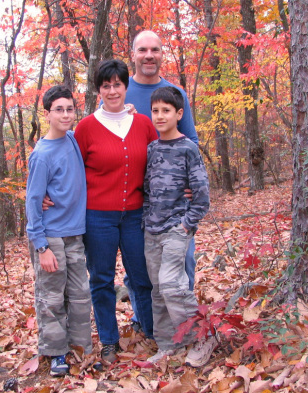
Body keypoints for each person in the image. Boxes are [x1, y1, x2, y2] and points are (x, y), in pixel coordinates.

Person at [74, 59, 158, 363]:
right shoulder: (85, 128)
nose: (112, 90)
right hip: (97, 217)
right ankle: (109, 340)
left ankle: (150, 332)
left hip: (136, 214)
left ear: (126, 86)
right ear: (99, 90)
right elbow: (70, 171)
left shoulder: (143, 123)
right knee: (101, 280)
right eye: (106, 85)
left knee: (142, 277)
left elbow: (161, 163)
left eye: (117, 85)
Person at [123, 30, 198, 333]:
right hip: (135, 198)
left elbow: (191, 138)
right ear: (133, 54)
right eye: (143, 50)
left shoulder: (174, 93)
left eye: (155, 49)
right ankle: (151, 327)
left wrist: (192, 182)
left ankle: (189, 330)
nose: (149, 55)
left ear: (162, 53)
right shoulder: (120, 92)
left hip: (175, 201)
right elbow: (95, 140)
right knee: (142, 268)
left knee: (182, 262)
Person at [143, 86, 217, 367]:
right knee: (158, 289)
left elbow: (202, 196)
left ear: (179, 114)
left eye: (166, 111)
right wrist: (146, 222)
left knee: (173, 285)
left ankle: (203, 336)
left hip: (177, 228)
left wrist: (187, 224)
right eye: (156, 111)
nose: (160, 116)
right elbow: (148, 190)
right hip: (151, 229)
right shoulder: (152, 148)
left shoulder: (188, 148)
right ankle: (167, 344)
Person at [26, 85, 92, 377]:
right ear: (47, 114)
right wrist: (41, 247)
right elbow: (32, 200)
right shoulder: (42, 154)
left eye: (69, 108)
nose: (65, 115)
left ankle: (80, 347)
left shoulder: (72, 141)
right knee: (52, 297)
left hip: (74, 233)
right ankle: (55, 352)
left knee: (79, 294)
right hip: (50, 237)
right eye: (59, 109)